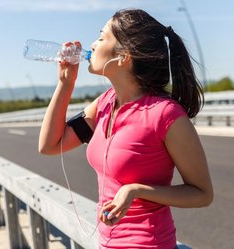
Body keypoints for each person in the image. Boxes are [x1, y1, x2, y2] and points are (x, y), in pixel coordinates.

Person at [39, 8, 213, 249]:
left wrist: (137, 190)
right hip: (108, 243)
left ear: (123, 56)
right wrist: (65, 84)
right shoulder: (104, 103)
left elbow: (202, 193)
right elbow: (50, 145)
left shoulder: (165, 114)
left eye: (101, 38)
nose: (92, 44)